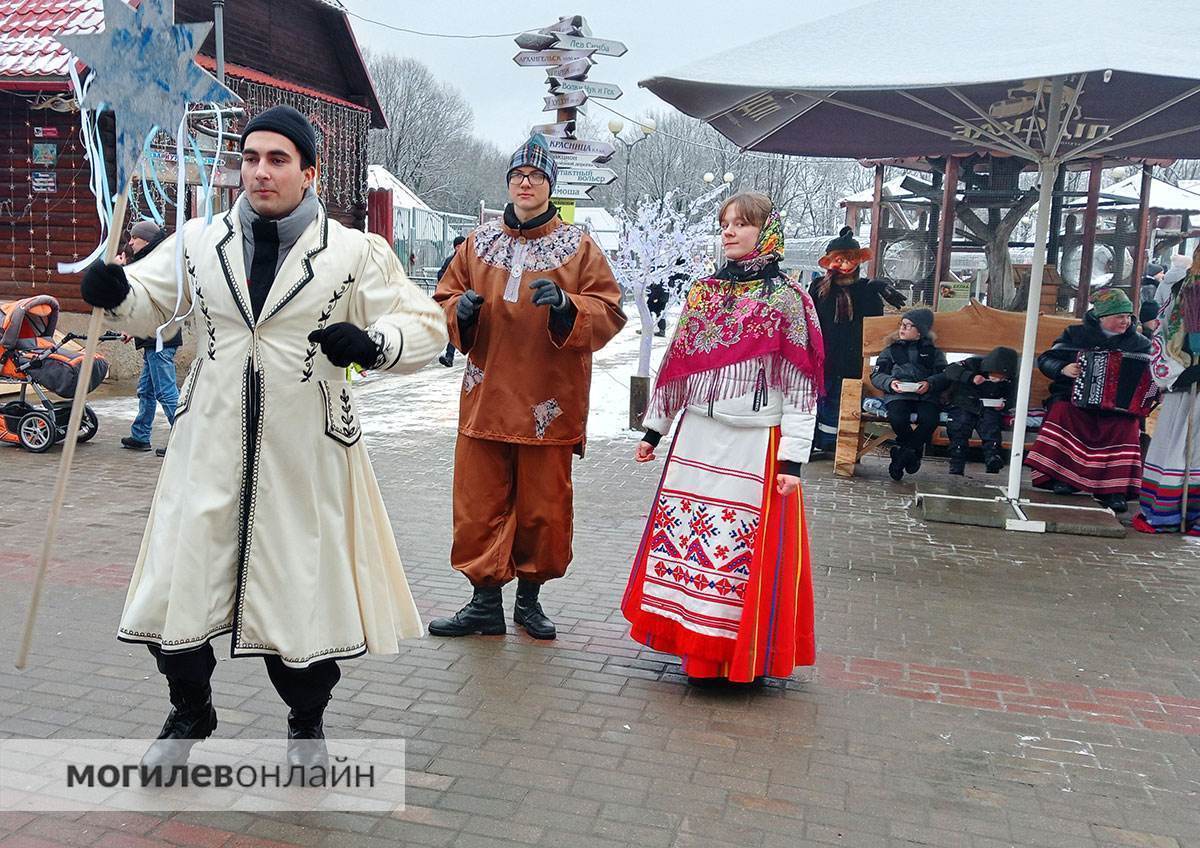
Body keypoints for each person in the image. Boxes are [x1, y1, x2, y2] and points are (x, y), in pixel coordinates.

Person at [78, 105, 447, 771]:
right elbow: (146, 300)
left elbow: (427, 327)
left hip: (304, 450)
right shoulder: (197, 241)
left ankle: (307, 724)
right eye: (250, 158)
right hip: (208, 443)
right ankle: (190, 710)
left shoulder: (354, 253)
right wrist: (112, 288)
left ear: (309, 173)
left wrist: (373, 342)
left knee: (298, 600)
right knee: (176, 590)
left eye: (277, 159)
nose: (260, 171)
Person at [621, 193, 822, 686]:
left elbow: (801, 388)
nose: (729, 232)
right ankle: (694, 651)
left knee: (736, 547)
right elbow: (678, 367)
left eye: (741, 224)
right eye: (724, 224)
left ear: (766, 231)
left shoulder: (789, 301)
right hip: (696, 440)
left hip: (754, 445)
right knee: (689, 543)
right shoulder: (703, 294)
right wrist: (654, 429)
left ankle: (737, 656)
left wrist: (792, 462)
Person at [430, 134, 626, 640]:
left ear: (550, 186)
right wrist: (459, 312)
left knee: (543, 508)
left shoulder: (579, 248)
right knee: (478, 504)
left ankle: (530, 601)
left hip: (548, 402)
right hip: (486, 397)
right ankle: (483, 602)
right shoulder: (478, 243)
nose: (525, 182)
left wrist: (568, 307)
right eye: (518, 175)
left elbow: (609, 310)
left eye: (536, 176)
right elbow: (444, 295)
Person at [1025, 288, 1150, 513]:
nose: (1125, 321)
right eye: (1119, 316)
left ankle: (1114, 490)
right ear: (1102, 317)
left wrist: (1147, 395)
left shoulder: (1140, 343)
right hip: (1075, 399)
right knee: (1061, 411)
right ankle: (1062, 478)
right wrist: (1064, 368)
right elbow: (1047, 359)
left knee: (1128, 426)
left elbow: (1150, 376)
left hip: (1118, 409)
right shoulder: (1075, 334)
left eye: (1128, 316)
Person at [808, 227, 905, 454]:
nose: (845, 265)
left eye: (850, 259)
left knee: (843, 402)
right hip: (823, 357)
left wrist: (875, 288)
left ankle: (835, 446)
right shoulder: (819, 288)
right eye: (839, 259)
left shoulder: (866, 290)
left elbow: (873, 326)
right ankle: (819, 443)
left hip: (852, 360)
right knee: (820, 401)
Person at [1136, 245, 1200, 534]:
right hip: (1187, 380)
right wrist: (1182, 371)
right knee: (1180, 446)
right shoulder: (1185, 290)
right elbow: (1165, 333)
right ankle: (1170, 511)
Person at [115, 221, 181, 458]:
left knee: (166, 391)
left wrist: (121, 272)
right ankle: (140, 435)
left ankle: (183, 439)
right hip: (154, 337)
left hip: (160, 338)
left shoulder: (155, 263)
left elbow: (152, 302)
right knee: (146, 389)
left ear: (146, 239)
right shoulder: (151, 260)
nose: (130, 242)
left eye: (134, 238)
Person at [870, 308, 948, 481]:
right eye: (901, 325)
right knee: (897, 418)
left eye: (907, 326)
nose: (902, 329)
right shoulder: (891, 350)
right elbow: (877, 374)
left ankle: (901, 455)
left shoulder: (934, 353)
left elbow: (945, 375)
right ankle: (913, 453)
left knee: (930, 419)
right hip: (898, 394)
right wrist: (890, 383)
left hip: (925, 395)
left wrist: (930, 383)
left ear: (919, 331)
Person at [943, 346, 1019, 475]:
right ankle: (957, 462)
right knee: (959, 427)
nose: (999, 379)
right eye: (995, 375)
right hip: (964, 403)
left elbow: (1012, 396)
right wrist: (970, 377)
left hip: (989, 407)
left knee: (991, 427)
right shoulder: (972, 364)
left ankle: (992, 458)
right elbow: (949, 370)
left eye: (1002, 378)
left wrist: (1004, 405)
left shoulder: (1010, 379)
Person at [436, 236, 467, 367]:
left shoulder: (469, 260)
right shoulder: (450, 260)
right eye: (458, 246)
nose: (460, 248)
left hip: (464, 299)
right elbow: (440, 274)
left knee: (455, 327)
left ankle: (449, 356)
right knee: (448, 326)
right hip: (451, 298)